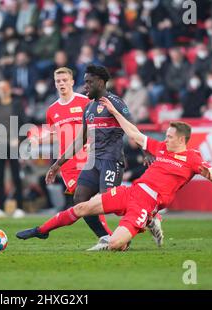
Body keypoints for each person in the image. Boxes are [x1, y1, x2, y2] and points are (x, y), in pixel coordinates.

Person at [17, 117, 212, 251]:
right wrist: (116, 112)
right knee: (81, 206)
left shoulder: (193, 158)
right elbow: (134, 134)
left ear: (181, 140)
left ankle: (145, 220)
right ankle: (41, 230)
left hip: (146, 203)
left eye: (169, 136)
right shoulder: (161, 148)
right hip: (131, 191)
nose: (165, 139)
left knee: (116, 243)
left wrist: (211, 175)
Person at [44, 64, 160, 251]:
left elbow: (131, 128)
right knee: (80, 199)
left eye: (89, 82)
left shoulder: (115, 102)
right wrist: (57, 165)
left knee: (109, 202)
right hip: (93, 160)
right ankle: (107, 237)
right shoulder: (89, 107)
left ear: (100, 82)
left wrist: (145, 150)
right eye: (85, 82)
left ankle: (148, 215)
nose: (85, 86)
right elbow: (79, 140)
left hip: (111, 160)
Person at [31, 67, 113, 250]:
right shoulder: (52, 110)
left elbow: (97, 123)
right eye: (58, 81)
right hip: (68, 164)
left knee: (100, 200)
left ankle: (114, 233)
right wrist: (41, 140)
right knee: (84, 202)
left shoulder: (85, 101)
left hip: (88, 159)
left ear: (72, 82)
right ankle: (108, 237)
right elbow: (57, 134)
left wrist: (94, 142)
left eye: (64, 80)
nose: (61, 84)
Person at [0, 80, 26, 219]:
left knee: (16, 177)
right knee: (0, 177)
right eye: (0, 88)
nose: (3, 90)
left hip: (14, 145)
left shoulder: (16, 104)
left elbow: (24, 122)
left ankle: (20, 208)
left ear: (10, 89)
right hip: (0, 145)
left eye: (5, 87)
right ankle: (0, 208)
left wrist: (20, 139)